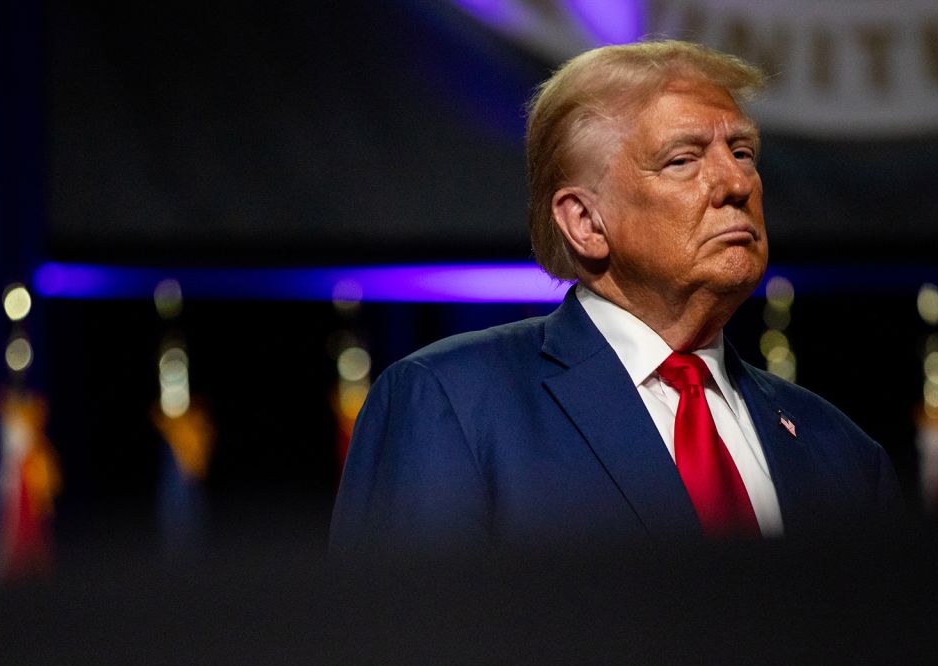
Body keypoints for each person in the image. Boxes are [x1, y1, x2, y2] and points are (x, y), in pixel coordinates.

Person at [330, 40, 899, 556]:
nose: (737, 183)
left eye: (743, 152)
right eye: (684, 159)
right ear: (585, 222)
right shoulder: (451, 404)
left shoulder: (841, 452)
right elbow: (396, 655)